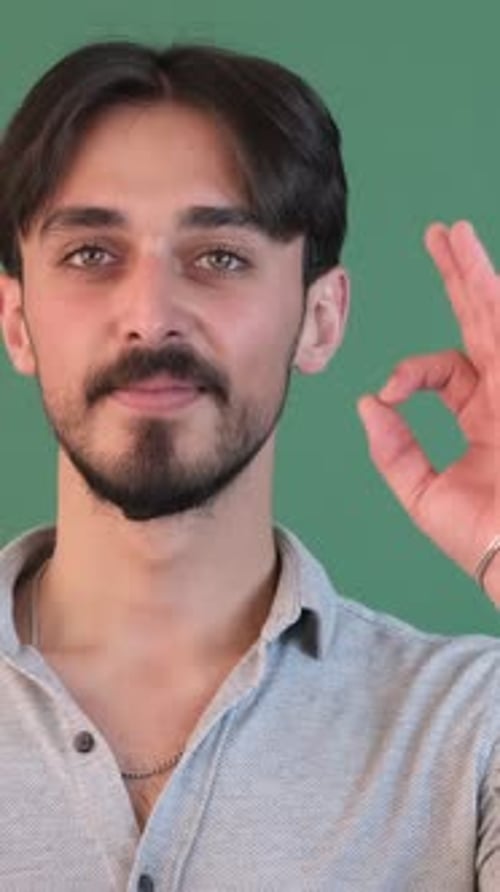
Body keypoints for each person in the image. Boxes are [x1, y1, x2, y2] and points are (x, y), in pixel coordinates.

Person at [0, 39, 499, 892]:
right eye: (91, 254)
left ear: (320, 319)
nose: (151, 316)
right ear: (16, 322)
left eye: (220, 258)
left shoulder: (471, 730)